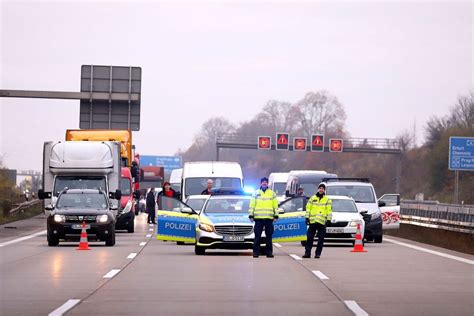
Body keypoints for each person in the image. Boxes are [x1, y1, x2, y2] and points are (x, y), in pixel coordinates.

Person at [249, 177, 279, 258]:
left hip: (269, 219)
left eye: (266, 182)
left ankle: (269, 253)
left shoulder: (272, 193)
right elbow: (252, 205)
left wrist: (276, 215)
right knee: (257, 236)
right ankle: (256, 253)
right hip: (258, 219)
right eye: (263, 182)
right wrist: (251, 215)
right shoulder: (255, 193)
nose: (264, 183)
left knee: (269, 237)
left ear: (267, 183)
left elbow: (275, 206)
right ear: (260, 183)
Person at [303, 183, 332, 259]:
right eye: (320, 188)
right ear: (318, 189)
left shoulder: (327, 200)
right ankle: (307, 253)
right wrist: (307, 218)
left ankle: (317, 253)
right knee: (309, 238)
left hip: (321, 222)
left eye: (323, 188)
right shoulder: (312, 198)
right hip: (312, 222)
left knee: (321, 239)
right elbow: (308, 208)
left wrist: (329, 219)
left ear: (324, 190)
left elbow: (329, 210)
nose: (321, 189)